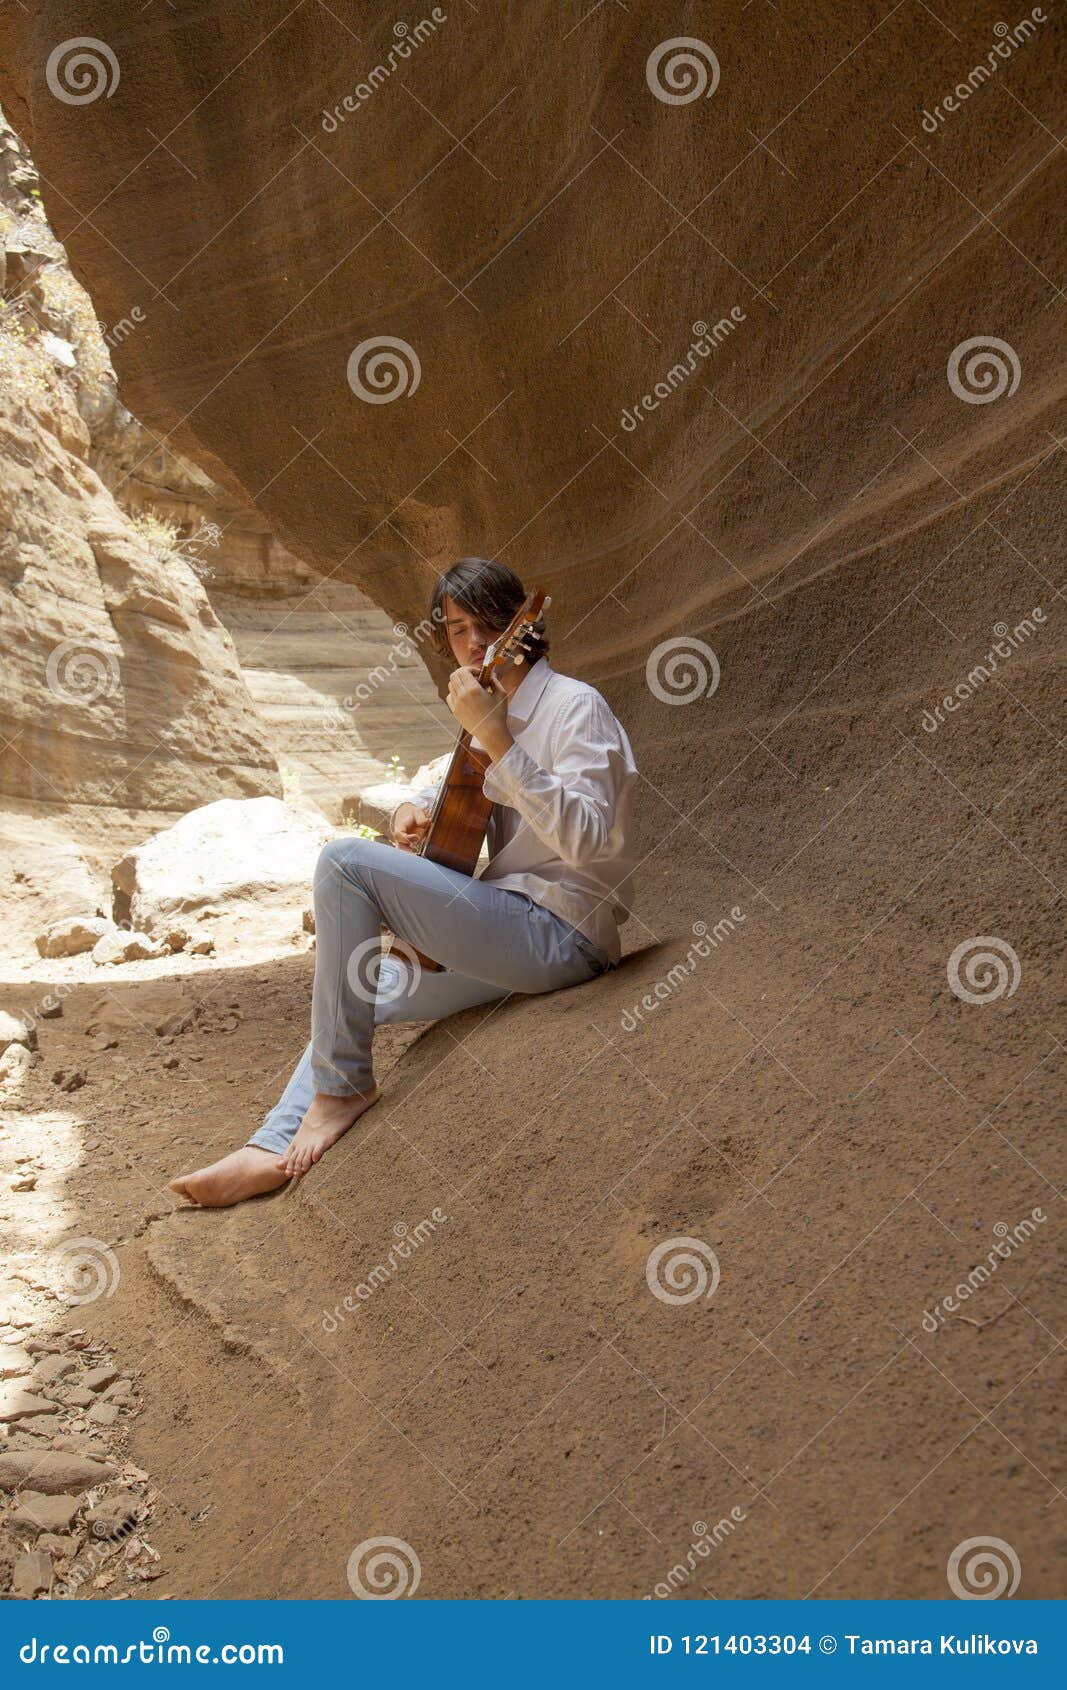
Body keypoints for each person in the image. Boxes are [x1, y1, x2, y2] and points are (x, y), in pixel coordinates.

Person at [169, 558, 638, 1207]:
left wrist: (498, 739)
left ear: (522, 626)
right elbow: (432, 788)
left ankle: (344, 1091)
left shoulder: (573, 708)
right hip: (512, 931)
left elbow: (590, 839)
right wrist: (405, 814)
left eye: (487, 624)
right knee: (369, 980)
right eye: (456, 630)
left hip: (564, 934)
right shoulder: (491, 714)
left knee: (341, 862)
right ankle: (270, 1144)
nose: (473, 643)